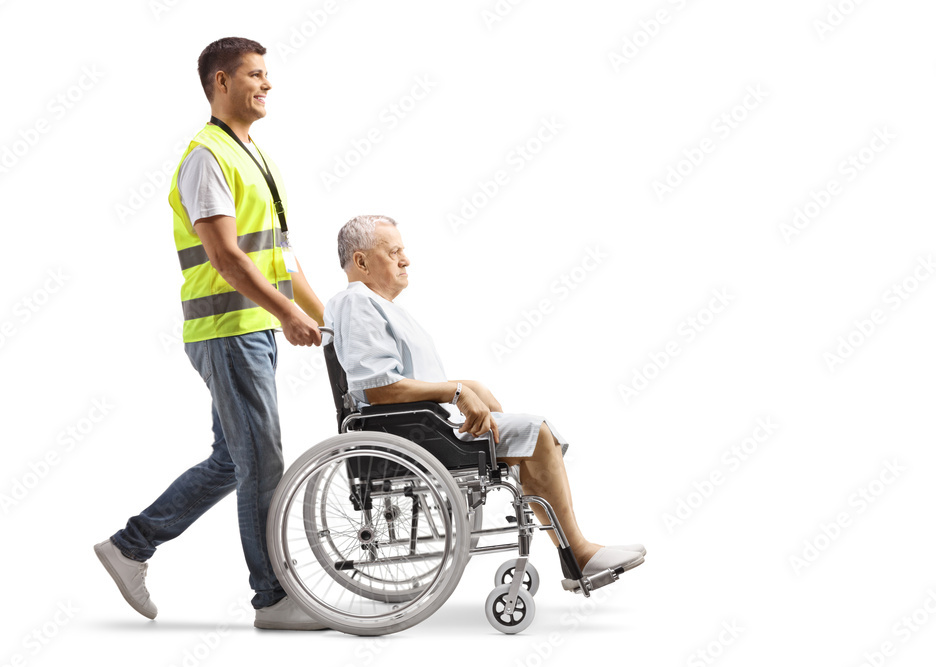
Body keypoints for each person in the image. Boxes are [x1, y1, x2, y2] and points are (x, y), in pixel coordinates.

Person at [95, 37, 327, 631]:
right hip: (229, 330)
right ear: (220, 82)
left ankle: (130, 546)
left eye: (268, 75)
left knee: (232, 460)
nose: (267, 84)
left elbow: (279, 254)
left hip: (249, 330)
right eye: (255, 75)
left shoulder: (252, 153)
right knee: (263, 464)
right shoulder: (206, 156)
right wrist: (284, 312)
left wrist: (321, 315)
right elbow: (226, 257)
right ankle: (273, 600)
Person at [324, 215, 646, 579]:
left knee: (532, 435)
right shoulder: (357, 303)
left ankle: (575, 555)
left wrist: (469, 386)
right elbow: (379, 389)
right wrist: (456, 390)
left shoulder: (377, 306)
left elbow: (399, 382)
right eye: (393, 251)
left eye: (404, 251)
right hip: (408, 434)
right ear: (361, 261)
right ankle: (579, 554)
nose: (405, 259)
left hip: (423, 426)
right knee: (535, 432)